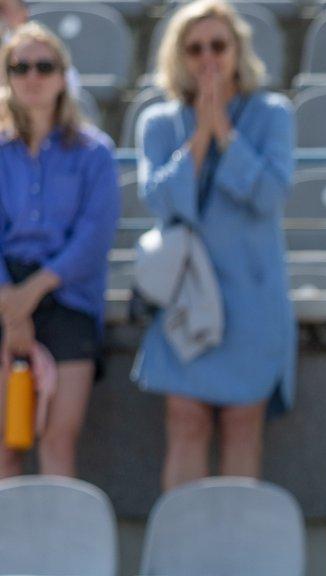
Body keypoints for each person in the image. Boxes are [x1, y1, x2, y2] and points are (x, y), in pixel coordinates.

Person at [134, 0, 294, 492]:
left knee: (243, 425)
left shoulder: (271, 114)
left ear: (237, 51)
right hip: (189, 297)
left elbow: (269, 196)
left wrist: (225, 131)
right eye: (195, 48)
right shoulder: (158, 123)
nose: (208, 58)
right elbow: (160, 201)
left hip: (252, 298)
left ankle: (237, 554)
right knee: (185, 421)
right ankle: (183, 553)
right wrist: (200, 137)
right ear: (178, 56)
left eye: (218, 46)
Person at [0, 22, 115, 480]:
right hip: (5, 294)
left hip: (68, 298)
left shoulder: (94, 152)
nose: (32, 76)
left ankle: (56, 551)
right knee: (7, 444)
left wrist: (31, 295)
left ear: (63, 75)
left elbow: (93, 236)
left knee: (57, 440)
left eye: (44, 66)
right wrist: (12, 307)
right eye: (20, 66)